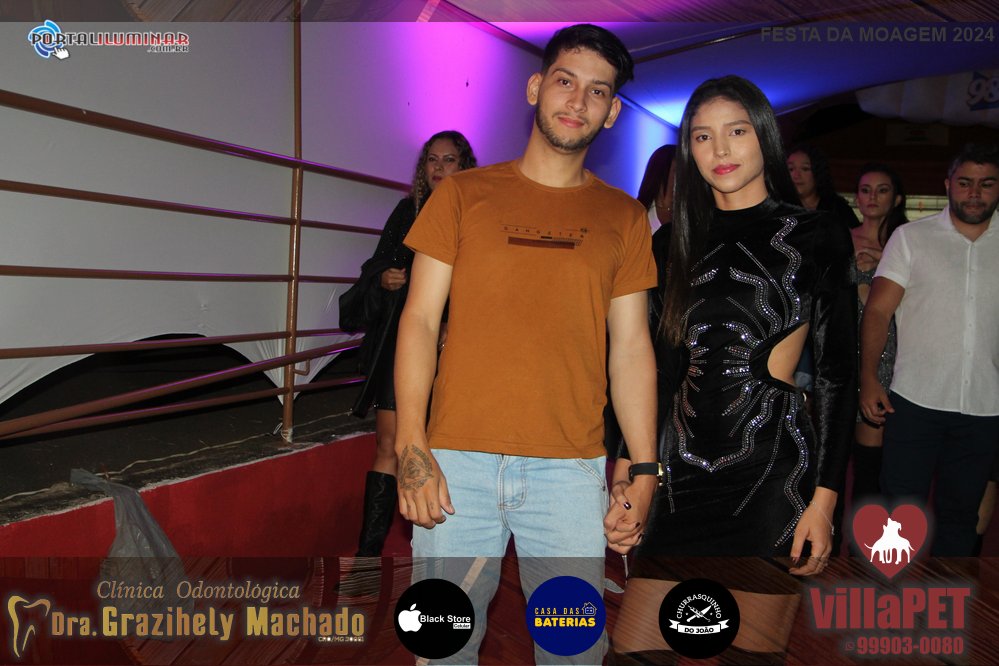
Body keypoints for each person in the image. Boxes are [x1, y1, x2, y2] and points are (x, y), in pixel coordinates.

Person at [395, 24, 658, 664]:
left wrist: (646, 469)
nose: (578, 100)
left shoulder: (625, 217)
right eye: (566, 81)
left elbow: (631, 349)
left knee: (573, 652)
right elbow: (420, 320)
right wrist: (411, 445)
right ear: (536, 87)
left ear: (612, 112)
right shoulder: (461, 196)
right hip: (455, 463)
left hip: (569, 472)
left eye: (598, 91)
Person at [612, 75, 856, 664]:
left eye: (737, 132)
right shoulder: (670, 243)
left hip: (772, 477)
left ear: (764, 137)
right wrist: (629, 469)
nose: (720, 150)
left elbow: (836, 375)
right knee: (636, 652)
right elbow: (659, 369)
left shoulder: (816, 233)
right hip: (678, 479)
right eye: (702, 137)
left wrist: (824, 503)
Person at [860, 143, 999, 556]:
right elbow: (877, 311)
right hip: (914, 401)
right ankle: (896, 591)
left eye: (986, 184)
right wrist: (869, 378)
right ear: (948, 185)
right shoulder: (911, 238)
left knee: (961, 516)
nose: (974, 193)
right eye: (965, 182)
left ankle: (948, 594)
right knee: (900, 514)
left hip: (986, 405)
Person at [352, 130, 477, 556]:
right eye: (432, 160)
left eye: (449, 160)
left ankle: (440, 553)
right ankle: (367, 562)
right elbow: (376, 264)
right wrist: (384, 278)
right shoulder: (408, 211)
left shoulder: (475, 214)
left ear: (464, 165)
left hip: (459, 349)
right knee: (389, 444)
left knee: (445, 446)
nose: (439, 168)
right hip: (402, 341)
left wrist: (453, 323)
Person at [847, 164, 908, 510]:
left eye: (882, 190)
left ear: (896, 198)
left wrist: (885, 264)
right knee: (844, 463)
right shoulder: (841, 239)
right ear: (856, 197)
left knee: (878, 465)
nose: (872, 197)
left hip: (893, 354)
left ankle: (872, 535)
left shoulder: (908, 243)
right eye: (865, 190)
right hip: (845, 352)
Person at [786, 144, 857, 226]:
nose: (796, 175)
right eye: (791, 169)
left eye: (805, 169)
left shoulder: (837, 209)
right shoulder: (779, 208)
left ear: (818, 173)